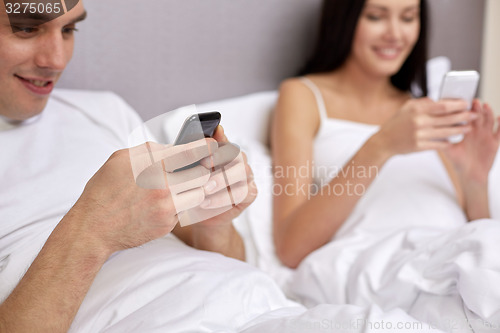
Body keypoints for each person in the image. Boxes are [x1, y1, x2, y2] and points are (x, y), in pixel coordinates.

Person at [0, 1, 270, 331]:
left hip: (266, 311)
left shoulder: (104, 111)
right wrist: (92, 230)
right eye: (27, 28)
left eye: (69, 30)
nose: (56, 60)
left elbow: (236, 271)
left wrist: (209, 225)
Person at [272, 0, 500, 269]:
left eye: (407, 18)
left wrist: (475, 178)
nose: (395, 34)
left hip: (459, 260)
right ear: (344, 20)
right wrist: (382, 145)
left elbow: (479, 237)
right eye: (376, 17)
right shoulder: (302, 96)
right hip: (382, 267)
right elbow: (290, 248)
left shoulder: (421, 110)